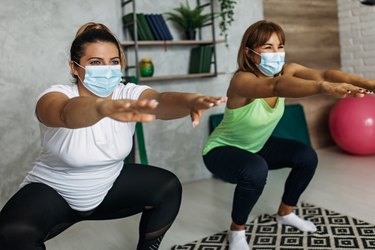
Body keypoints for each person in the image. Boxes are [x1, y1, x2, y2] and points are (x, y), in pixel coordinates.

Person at [0, 22, 226, 250]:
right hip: (54, 191)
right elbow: (65, 113)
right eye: (96, 62)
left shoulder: (127, 92)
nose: (107, 69)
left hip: (108, 186)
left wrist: (189, 101)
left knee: (167, 187)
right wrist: (102, 108)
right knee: (9, 235)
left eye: (114, 62)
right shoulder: (56, 95)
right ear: (75, 67)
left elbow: (161, 101)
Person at [202, 20, 375, 250]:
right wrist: (323, 88)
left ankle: (285, 213)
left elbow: (324, 73)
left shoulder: (288, 70)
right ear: (250, 53)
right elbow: (277, 87)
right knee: (256, 169)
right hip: (221, 150)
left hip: (257, 145)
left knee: (306, 156)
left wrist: (369, 83)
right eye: (268, 47)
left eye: (280, 46)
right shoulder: (242, 80)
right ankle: (237, 231)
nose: (277, 53)